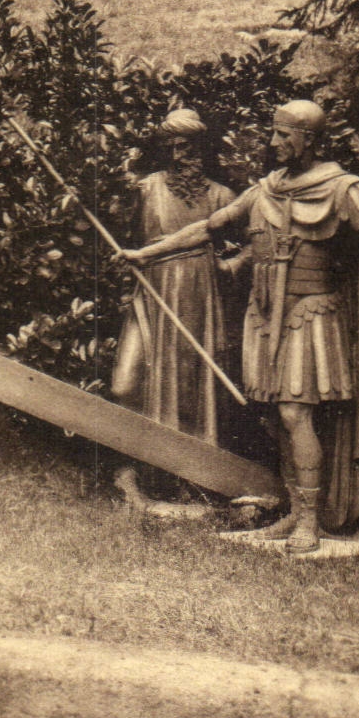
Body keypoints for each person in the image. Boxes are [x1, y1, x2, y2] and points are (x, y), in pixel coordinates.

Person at [123, 101, 359, 554]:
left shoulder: (345, 189)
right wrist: (145, 254)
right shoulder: (266, 188)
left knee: (296, 414)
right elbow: (209, 227)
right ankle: (295, 511)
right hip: (265, 316)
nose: (274, 143)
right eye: (274, 133)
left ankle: (311, 522)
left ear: (309, 139)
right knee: (277, 419)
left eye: (284, 135)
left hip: (310, 317)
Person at [109, 108, 237, 514]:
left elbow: (254, 244)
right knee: (125, 384)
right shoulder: (145, 188)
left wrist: (230, 266)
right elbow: (117, 227)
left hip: (200, 297)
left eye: (187, 146)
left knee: (194, 388)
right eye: (172, 146)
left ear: (202, 147)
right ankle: (132, 471)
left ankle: (191, 482)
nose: (180, 154)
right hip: (152, 292)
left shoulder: (222, 196)